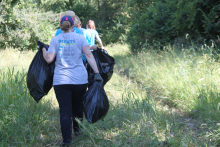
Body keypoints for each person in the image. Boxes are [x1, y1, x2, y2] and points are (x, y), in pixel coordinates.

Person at [39, 15, 103, 146]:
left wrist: (43, 49)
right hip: (79, 80)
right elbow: (89, 55)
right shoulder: (80, 38)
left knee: (65, 111)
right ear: (74, 25)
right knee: (78, 107)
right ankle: (78, 133)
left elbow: (49, 59)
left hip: (61, 81)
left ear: (60, 26)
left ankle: (67, 141)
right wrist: (97, 73)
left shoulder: (55, 39)